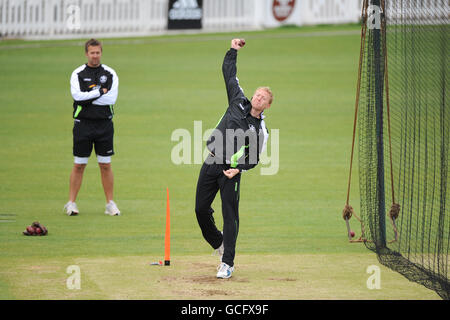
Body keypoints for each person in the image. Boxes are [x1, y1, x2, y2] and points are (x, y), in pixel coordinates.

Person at [195, 39, 273, 278]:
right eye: (258, 94)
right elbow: (229, 73)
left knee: (230, 215)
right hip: (211, 160)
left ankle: (227, 263)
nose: (258, 98)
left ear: (267, 106)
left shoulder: (260, 130)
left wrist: (238, 169)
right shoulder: (238, 100)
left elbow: (255, 158)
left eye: (263, 98)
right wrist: (233, 51)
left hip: (231, 170)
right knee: (200, 209)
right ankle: (219, 244)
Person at [63, 39, 120, 216]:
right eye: (92, 52)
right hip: (83, 125)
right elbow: (77, 97)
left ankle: (110, 203)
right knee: (79, 165)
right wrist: (99, 92)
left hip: (104, 125)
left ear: (101, 53)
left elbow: (110, 99)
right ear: (86, 53)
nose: (95, 56)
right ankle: (71, 203)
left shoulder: (110, 74)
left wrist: (89, 96)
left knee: (105, 164)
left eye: (97, 52)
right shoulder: (78, 74)